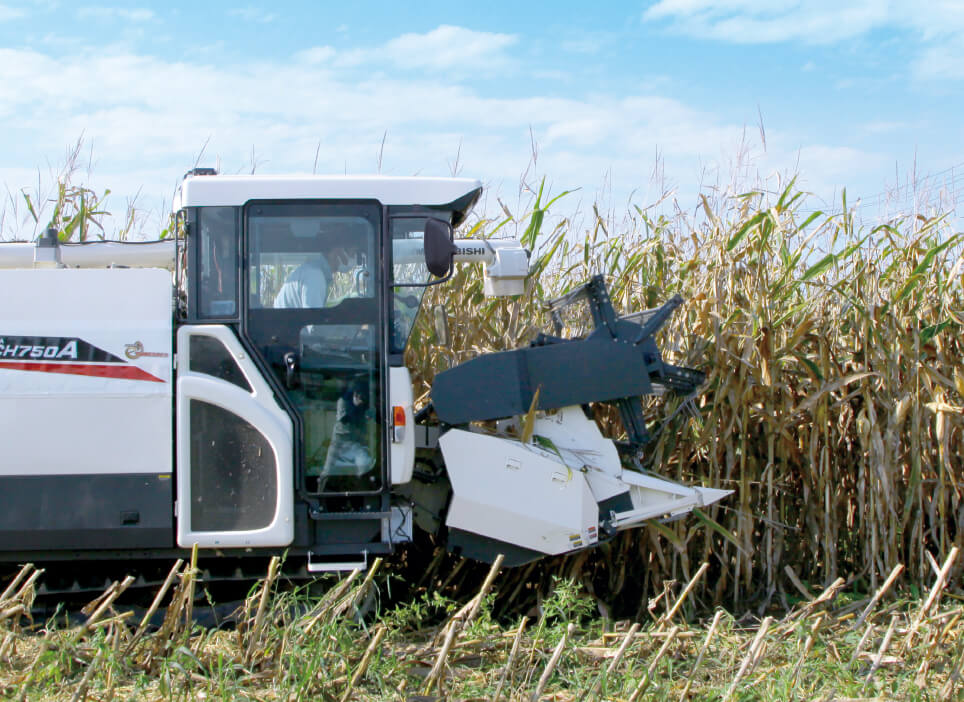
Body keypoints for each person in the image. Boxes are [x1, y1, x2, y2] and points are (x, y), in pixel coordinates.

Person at [273, 236, 357, 309]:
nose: (353, 259)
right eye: (352, 254)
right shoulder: (315, 276)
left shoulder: (312, 271)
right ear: (337, 252)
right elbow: (313, 322)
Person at [320, 379, 375, 490]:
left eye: (361, 395)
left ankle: (364, 496)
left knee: (365, 466)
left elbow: (370, 417)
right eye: (357, 394)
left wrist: (368, 413)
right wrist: (356, 407)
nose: (359, 397)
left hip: (356, 444)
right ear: (354, 393)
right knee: (327, 471)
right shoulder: (343, 401)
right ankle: (319, 495)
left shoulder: (365, 405)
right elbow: (345, 420)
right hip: (338, 443)